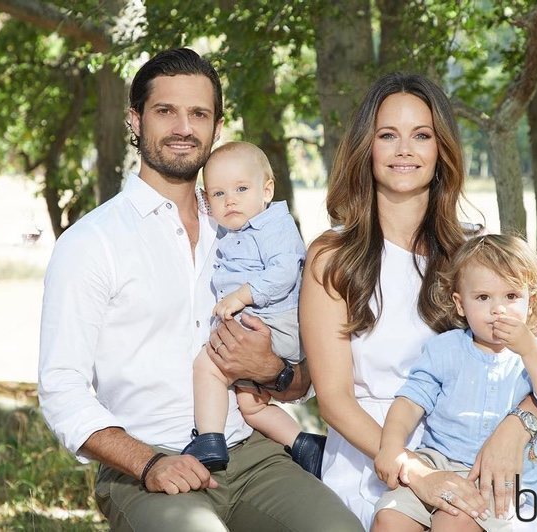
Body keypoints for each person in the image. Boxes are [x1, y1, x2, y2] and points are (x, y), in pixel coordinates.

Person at [38, 47, 363, 532]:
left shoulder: (245, 230)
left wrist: (272, 370)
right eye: (165, 111)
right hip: (148, 464)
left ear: (216, 125)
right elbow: (61, 389)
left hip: (253, 454)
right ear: (135, 119)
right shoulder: (92, 243)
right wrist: (147, 463)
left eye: (199, 113)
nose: (183, 127)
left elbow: (300, 378)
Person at [299, 72, 537, 530]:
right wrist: (417, 472)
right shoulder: (333, 256)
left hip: (475, 462)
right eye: (388, 135)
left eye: (422, 135)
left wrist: (518, 428)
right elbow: (333, 399)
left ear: (441, 149)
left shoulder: (478, 252)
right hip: (375, 462)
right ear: (365, 147)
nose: (404, 149)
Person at [372, 234, 537, 532]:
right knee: (389, 519)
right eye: (483, 298)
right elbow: (410, 401)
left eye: (511, 297)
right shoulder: (446, 349)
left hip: (497, 482)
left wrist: (529, 350)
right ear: (460, 304)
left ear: (530, 302)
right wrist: (392, 447)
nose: (499, 310)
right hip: (436, 464)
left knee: (452, 524)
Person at [184, 141, 325, 476]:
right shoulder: (235, 228)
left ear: (267, 190)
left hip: (274, 321)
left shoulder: (274, 224)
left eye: (241, 189)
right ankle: (306, 446)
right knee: (251, 404)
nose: (229, 200)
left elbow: (284, 272)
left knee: (208, 365)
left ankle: (209, 440)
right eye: (218, 194)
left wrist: (241, 296)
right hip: (265, 321)